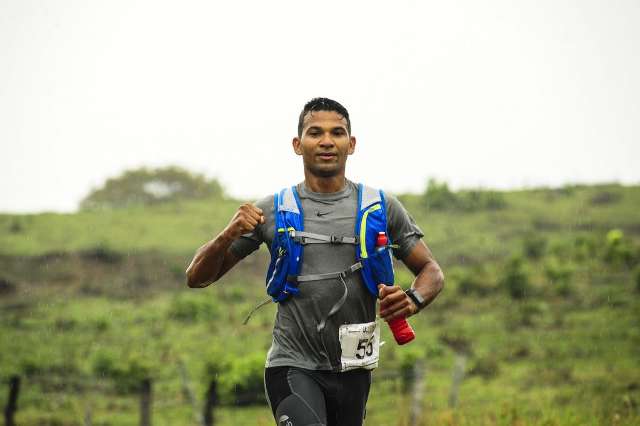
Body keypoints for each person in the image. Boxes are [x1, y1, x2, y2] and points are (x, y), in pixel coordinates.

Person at [186, 98, 444, 426]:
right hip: (292, 364)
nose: (326, 141)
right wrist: (228, 233)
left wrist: (412, 300)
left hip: (353, 369)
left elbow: (431, 271)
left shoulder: (380, 206)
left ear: (351, 145)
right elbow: (197, 277)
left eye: (337, 133)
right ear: (298, 145)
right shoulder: (272, 210)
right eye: (314, 133)